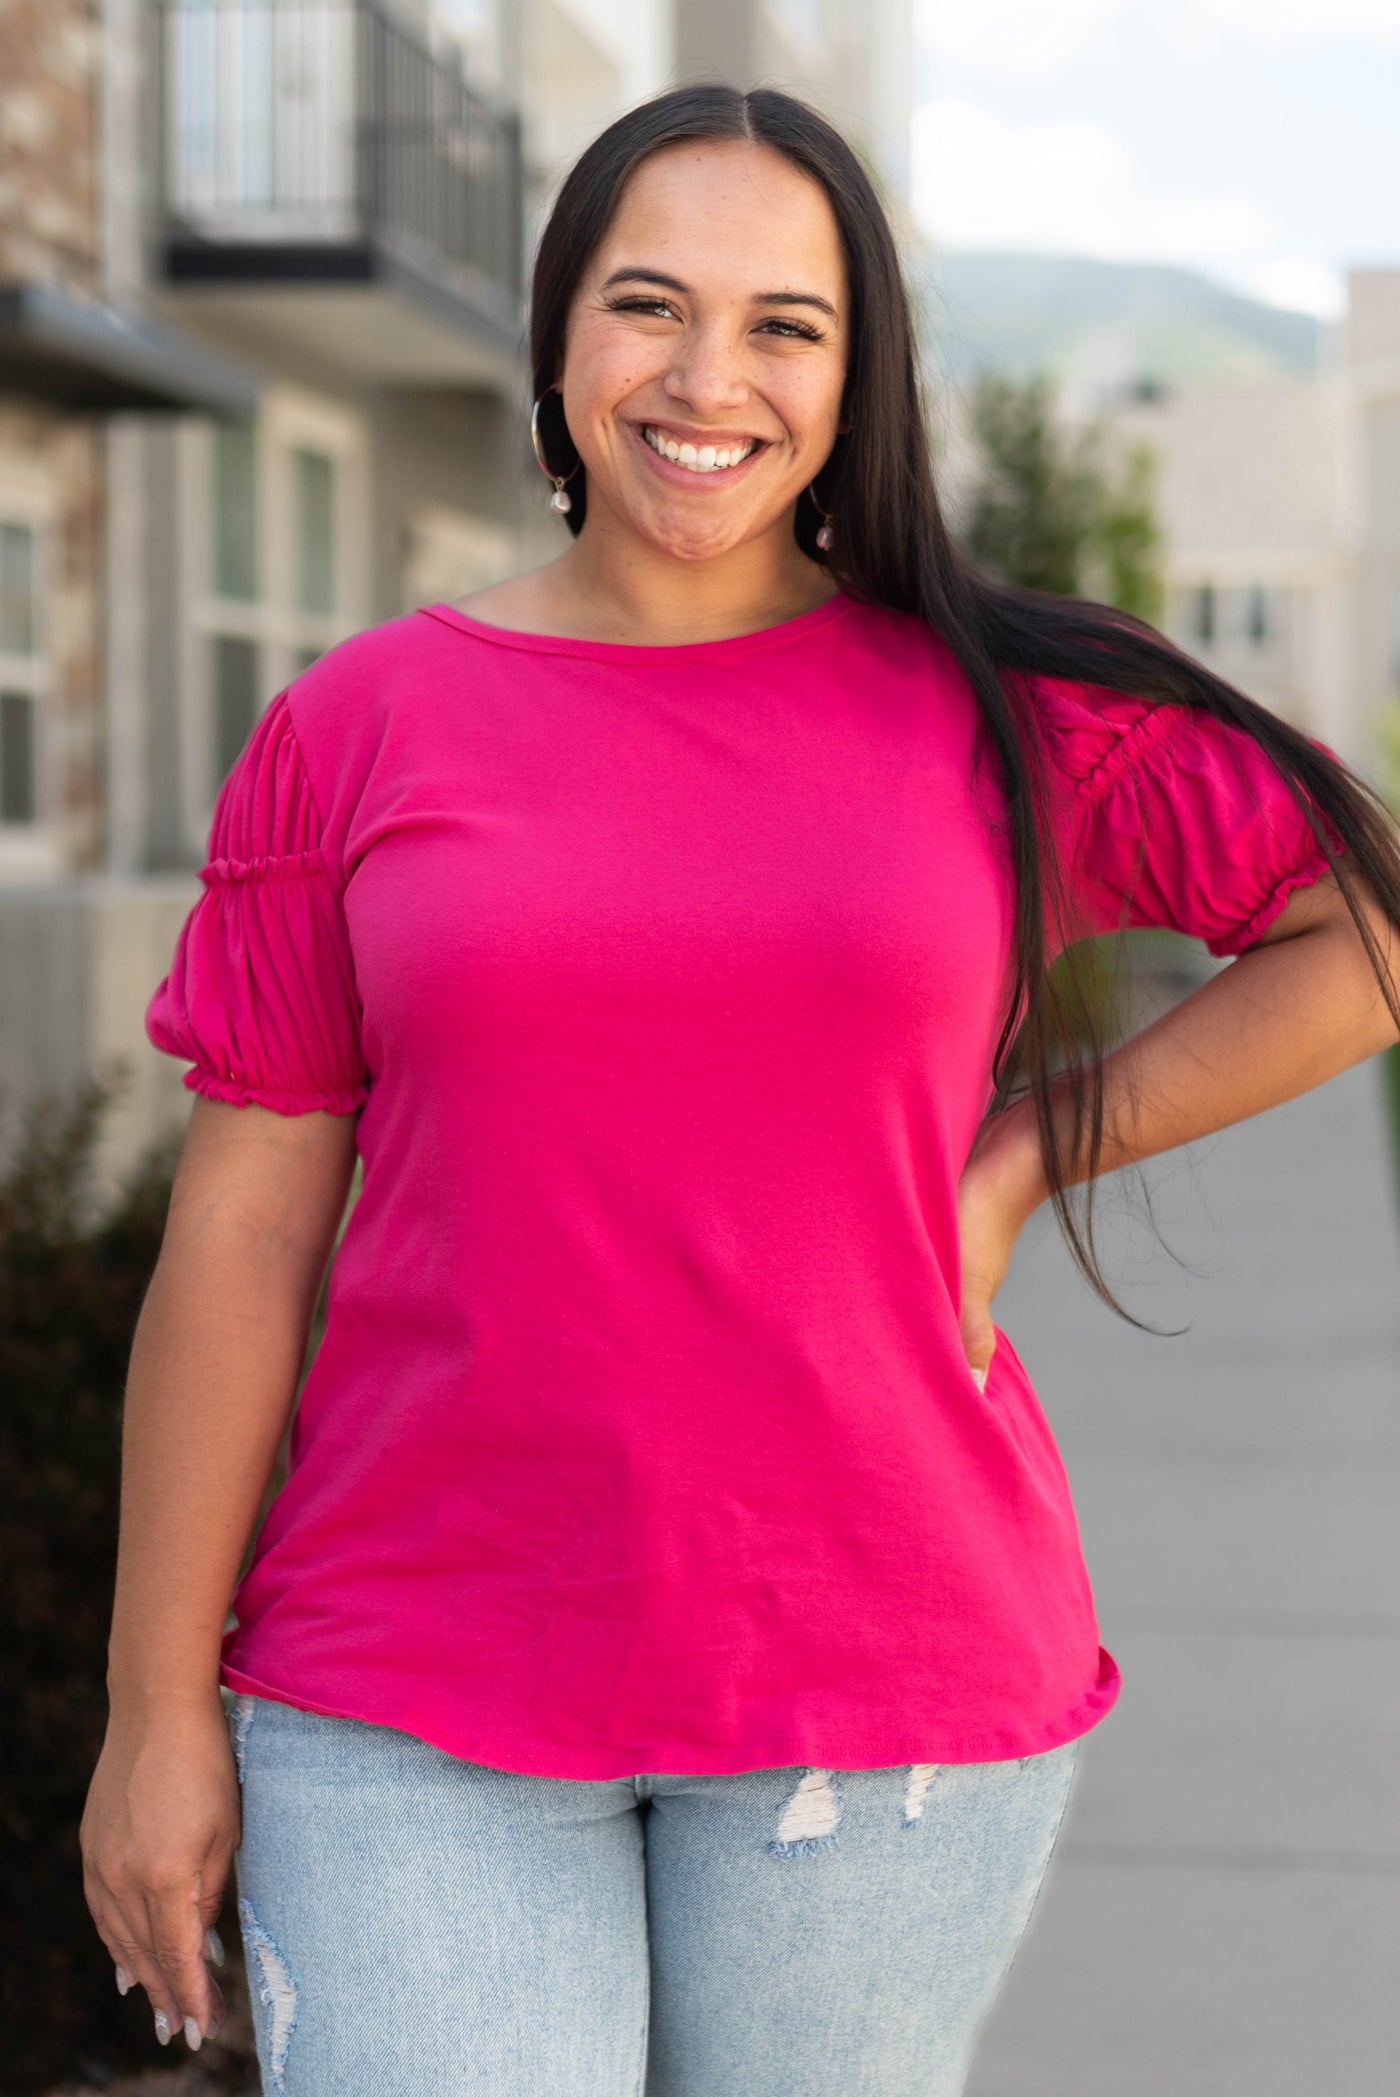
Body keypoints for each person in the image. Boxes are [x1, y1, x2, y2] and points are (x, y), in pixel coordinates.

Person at [81, 84, 1400, 2097]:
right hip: (405, 1670)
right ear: (555, 338)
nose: (709, 380)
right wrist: (150, 1705)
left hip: (879, 1670)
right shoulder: (357, 727)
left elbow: (1358, 936)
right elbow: (243, 1230)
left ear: (854, 376)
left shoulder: (989, 702)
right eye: (647, 304)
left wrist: (1031, 1153)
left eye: (784, 323)